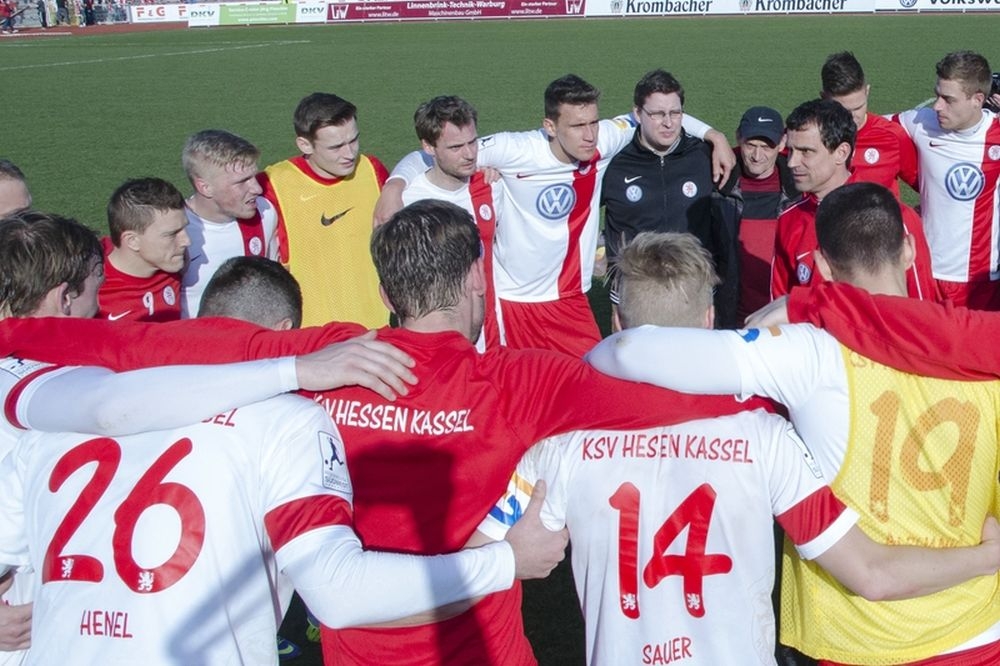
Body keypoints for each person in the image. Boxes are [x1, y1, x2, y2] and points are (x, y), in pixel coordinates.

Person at [479, 230, 1000, 665]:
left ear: (616, 323)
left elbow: (475, 564)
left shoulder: (559, 447)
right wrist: (985, 558)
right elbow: (871, 574)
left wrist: (509, 560)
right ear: (710, 320)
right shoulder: (766, 437)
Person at [379, 74, 736, 356]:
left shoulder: (605, 139)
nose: (590, 135)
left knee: (591, 390)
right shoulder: (515, 149)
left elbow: (656, 115)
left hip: (572, 298)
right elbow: (433, 154)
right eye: (578, 126)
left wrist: (714, 136)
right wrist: (394, 186)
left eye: (593, 122)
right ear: (550, 127)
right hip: (516, 303)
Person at [601, 69, 741, 327]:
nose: (668, 123)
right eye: (657, 114)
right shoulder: (614, 164)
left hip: (692, 290)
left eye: (675, 113)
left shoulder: (703, 156)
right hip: (635, 292)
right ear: (637, 114)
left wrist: (716, 136)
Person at [770, 98, 937, 303]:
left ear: (841, 153)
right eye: (791, 150)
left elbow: (922, 306)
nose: (792, 162)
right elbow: (780, 305)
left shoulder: (894, 217)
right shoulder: (789, 220)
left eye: (806, 151)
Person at [259, 92, 390, 329]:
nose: (350, 153)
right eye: (336, 147)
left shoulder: (372, 169)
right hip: (317, 339)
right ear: (305, 145)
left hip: (381, 327)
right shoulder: (273, 184)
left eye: (354, 140)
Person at [891, 51, 1000, 310]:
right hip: (926, 273)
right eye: (937, 95)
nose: (937, 106)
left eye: (948, 99)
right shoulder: (920, 122)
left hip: (982, 280)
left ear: (977, 100)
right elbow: (870, 129)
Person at [400, 95, 504, 351]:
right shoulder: (408, 199)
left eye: (473, 142)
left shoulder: (492, 186)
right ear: (428, 147)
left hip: (493, 332)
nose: (469, 154)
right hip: (435, 338)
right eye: (456, 147)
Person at [180, 129, 279, 319]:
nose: (257, 189)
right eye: (242, 181)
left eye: (253, 176)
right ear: (205, 187)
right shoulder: (176, 232)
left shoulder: (265, 213)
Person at [727, 106, 797, 320]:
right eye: (751, 145)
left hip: (781, 317)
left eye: (766, 147)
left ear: (782, 143)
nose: (757, 156)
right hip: (728, 317)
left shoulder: (800, 190)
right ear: (738, 138)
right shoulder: (717, 182)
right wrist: (713, 136)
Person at [820, 51, 918, 198]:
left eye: (858, 107)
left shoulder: (893, 136)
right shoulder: (809, 137)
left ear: (867, 91)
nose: (852, 118)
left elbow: (925, 185)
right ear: (824, 99)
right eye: (843, 111)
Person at [99, 177, 189, 323]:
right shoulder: (88, 286)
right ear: (133, 241)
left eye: (184, 228)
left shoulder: (174, 261)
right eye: (172, 234)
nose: (187, 241)